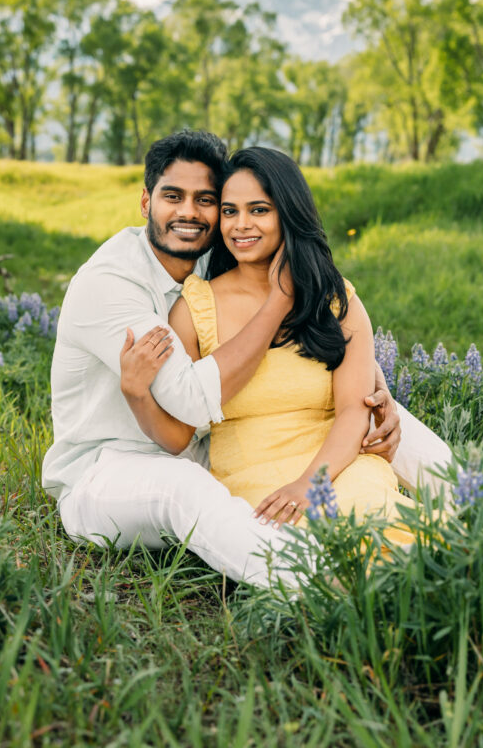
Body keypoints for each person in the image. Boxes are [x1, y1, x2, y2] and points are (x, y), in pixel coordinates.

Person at [42, 131, 413, 587]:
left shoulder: (208, 257)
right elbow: (191, 402)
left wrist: (377, 385)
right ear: (145, 202)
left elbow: (329, 340)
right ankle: (320, 582)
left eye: (206, 201)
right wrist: (280, 298)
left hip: (200, 450)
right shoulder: (110, 283)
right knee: (187, 492)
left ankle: (480, 513)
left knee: (375, 417)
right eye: (172, 197)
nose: (189, 213)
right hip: (109, 468)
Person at [120, 145, 452, 543]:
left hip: (335, 470)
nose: (241, 225)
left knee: (385, 529)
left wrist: (309, 486)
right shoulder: (195, 308)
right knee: (318, 552)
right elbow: (179, 436)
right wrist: (136, 392)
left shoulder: (334, 299)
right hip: (250, 484)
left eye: (259, 210)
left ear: (288, 213)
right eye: (230, 211)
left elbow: (352, 412)